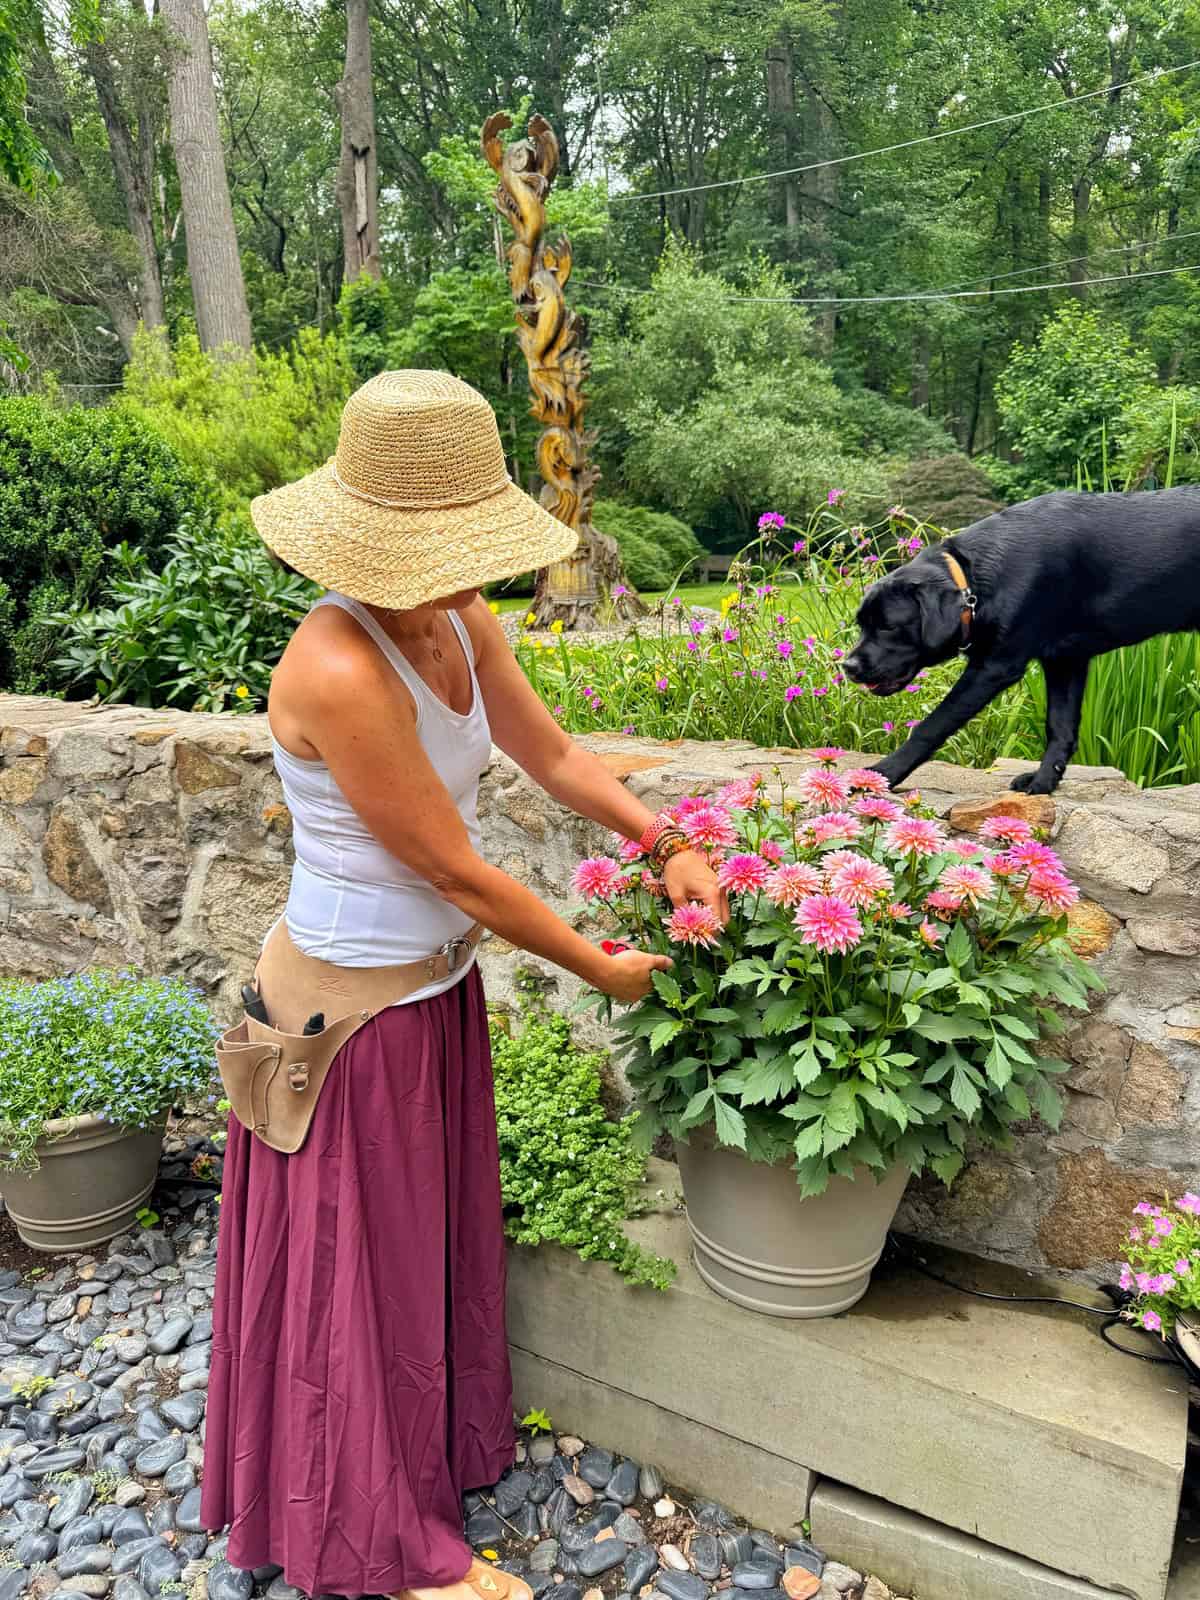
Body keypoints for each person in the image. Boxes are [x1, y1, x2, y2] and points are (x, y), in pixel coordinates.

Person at [200, 370, 727, 1600]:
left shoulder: (462, 617)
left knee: (410, 1254)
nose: (459, 568)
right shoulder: (335, 663)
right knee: (353, 1277)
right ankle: (376, 1534)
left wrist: (667, 843)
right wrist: (602, 964)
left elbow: (551, 756)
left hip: (433, 999)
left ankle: (424, 1454)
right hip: (350, 1022)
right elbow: (461, 870)